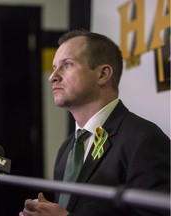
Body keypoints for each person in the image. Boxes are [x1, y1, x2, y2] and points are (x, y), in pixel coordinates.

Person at [19, 29, 170, 216]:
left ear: (102, 74)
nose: (53, 76)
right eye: (54, 67)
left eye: (67, 65)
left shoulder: (144, 141)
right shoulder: (67, 149)